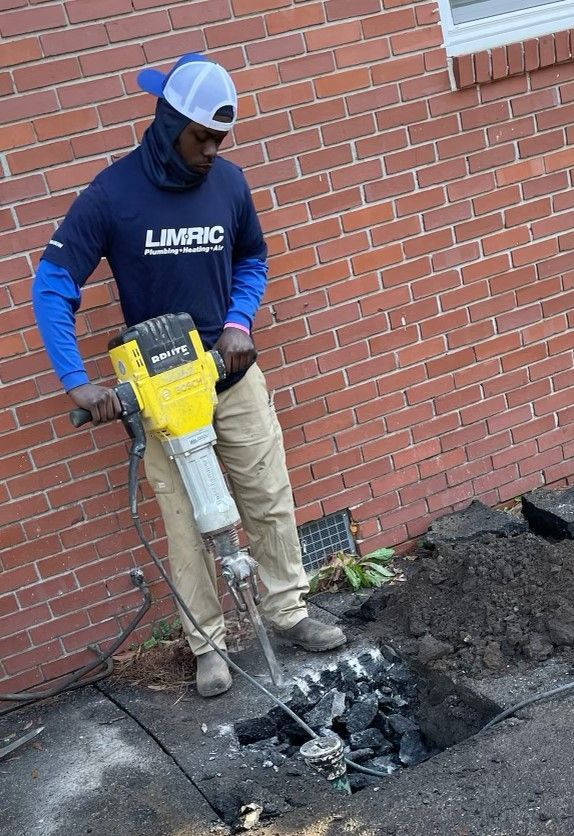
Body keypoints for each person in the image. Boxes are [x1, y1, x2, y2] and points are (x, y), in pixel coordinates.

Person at [32, 53, 346, 698]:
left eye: (220, 139)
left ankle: (287, 612)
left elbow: (252, 258)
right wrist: (75, 380)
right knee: (186, 524)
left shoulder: (230, 184)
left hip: (232, 382)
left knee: (268, 496)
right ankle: (208, 644)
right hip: (165, 395)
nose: (211, 150)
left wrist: (239, 322)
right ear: (168, 121)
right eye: (200, 136)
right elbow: (53, 284)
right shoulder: (112, 196)